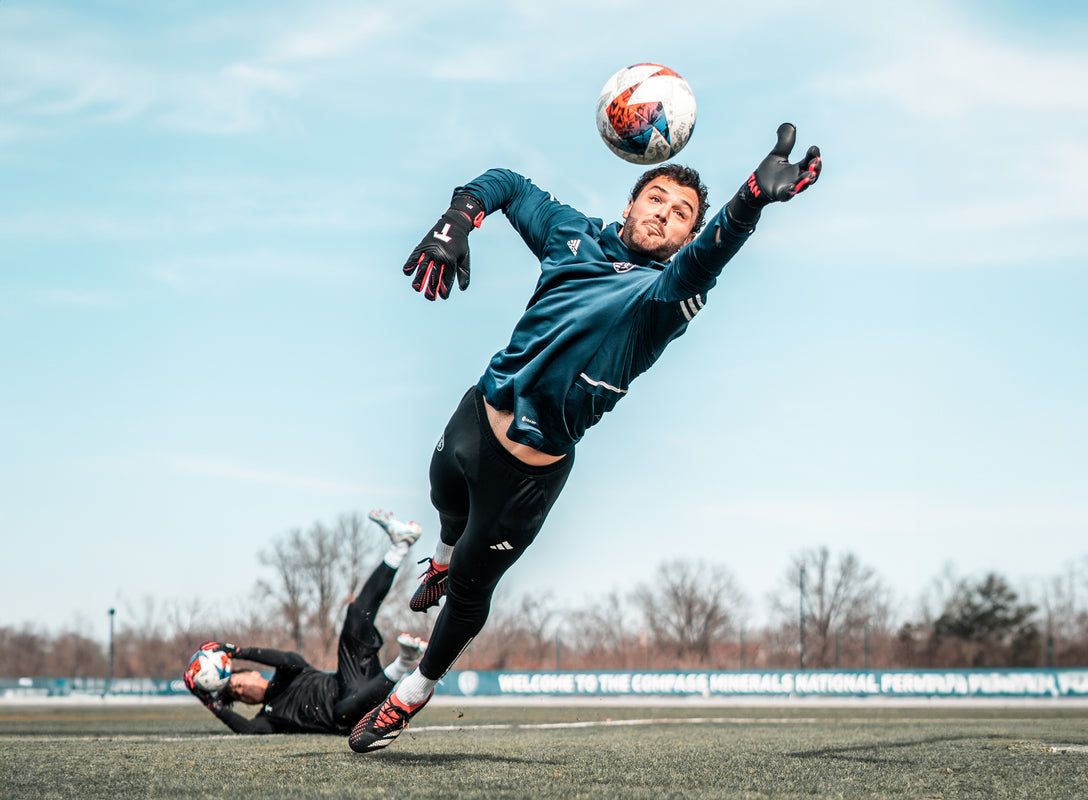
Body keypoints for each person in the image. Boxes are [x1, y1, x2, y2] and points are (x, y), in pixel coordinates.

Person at [348, 123, 822, 752]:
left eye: (683, 214)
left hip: (527, 473)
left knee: (469, 594)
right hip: (477, 416)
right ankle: (440, 552)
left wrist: (748, 204)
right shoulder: (572, 236)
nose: (666, 215)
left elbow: (710, 254)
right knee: (441, 493)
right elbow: (508, 184)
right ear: (630, 204)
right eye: (656, 199)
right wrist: (458, 220)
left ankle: (413, 693)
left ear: (688, 234)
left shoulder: (667, 293)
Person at [185, 509, 428, 735]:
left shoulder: (288, 673)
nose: (241, 691)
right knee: (341, 711)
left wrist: (234, 650)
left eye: (238, 684)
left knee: (355, 616)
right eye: (238, 695)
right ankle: (403, 662)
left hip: (352, 678)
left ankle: (399, 547)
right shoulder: (271, 716)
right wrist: (207, 701)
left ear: (252, 672)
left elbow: (287, 658)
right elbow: (247, 729)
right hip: (353, 716)